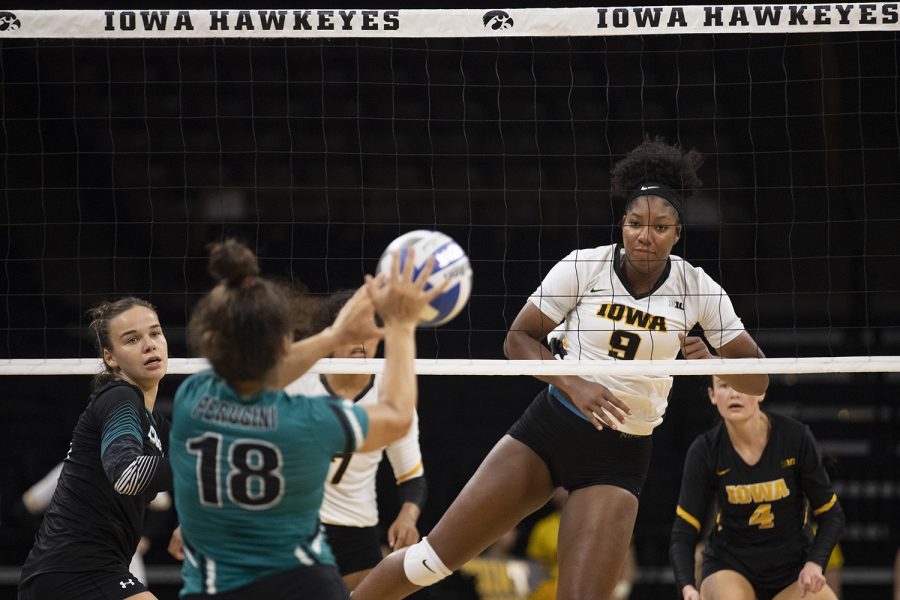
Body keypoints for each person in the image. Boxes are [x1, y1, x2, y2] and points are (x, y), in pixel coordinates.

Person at [353, 136, 768, 600]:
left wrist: (715, 364)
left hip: (620, 455)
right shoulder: (584, 267)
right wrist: (574, 384)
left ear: (676, 233)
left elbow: (758, 378)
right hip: (550, 430)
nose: (644, 236)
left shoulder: (697, 289)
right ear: (623, 223)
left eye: (660, 226)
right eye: (635, 223)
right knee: (431, 561)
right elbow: (517, 338)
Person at [168, 239, 440, 599]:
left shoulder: (192, 397)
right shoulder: (306, 419)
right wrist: (402, 326)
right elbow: (397, 415)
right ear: (285, 343)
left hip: (210, 589)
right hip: (297, 582)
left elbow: (255, 373)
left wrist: (334, 336)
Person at [18, 297, 172, 600]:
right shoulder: (118, 397)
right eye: (132, 340)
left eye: (155, 333)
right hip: (74, 569)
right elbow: (128, 474)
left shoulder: (156, 424)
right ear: (110, 357)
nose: (149, 345)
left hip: (93, 569)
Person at [284, 290, 428, 591]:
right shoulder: (298, 381)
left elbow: (412, 478)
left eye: (371, 330)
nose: (362, 340)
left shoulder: (393, 398)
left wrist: (407, 516)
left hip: (357, 530)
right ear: (333, 335)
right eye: (354, 331)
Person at [669, 376, 844, 600]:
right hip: (730, 565)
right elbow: (683, 531)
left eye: (742, 385)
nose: (734, 393)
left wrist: (814, 563)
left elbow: (832, 515)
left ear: (761, 391)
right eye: (724, 385)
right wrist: (687, 587)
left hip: (791, 568)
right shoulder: (705, 450)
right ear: (712, 396)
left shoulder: (795, 437)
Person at [17, 461, 172, 585]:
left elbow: (163, 505)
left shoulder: (132, 469)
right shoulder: (71, 468)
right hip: (75, 560)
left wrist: (146, 536)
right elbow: (25, 507)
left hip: (122, 559)